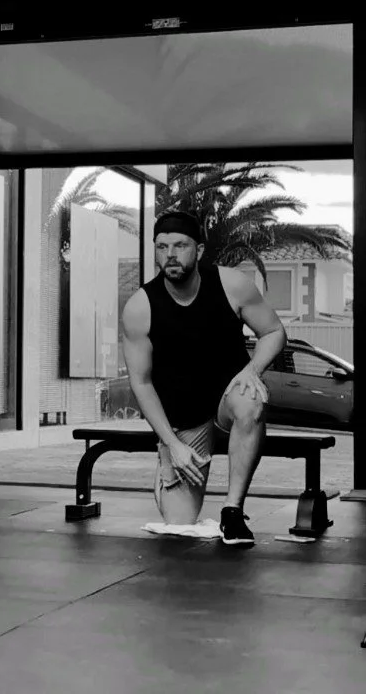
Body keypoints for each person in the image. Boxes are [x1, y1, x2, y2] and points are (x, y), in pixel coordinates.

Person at [120, 210, 286, 546]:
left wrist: (251, 369)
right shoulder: (140, 307)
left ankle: (232, 511)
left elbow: (273, 331)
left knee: (250, 398)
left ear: (198, 249)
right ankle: (169, 457)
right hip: (184, 420)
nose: (170, 254)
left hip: (228, 400)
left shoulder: (232, 285)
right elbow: (141, 382)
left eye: (180, 245)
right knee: (178, 521)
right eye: (162, 246)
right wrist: (172, 444)